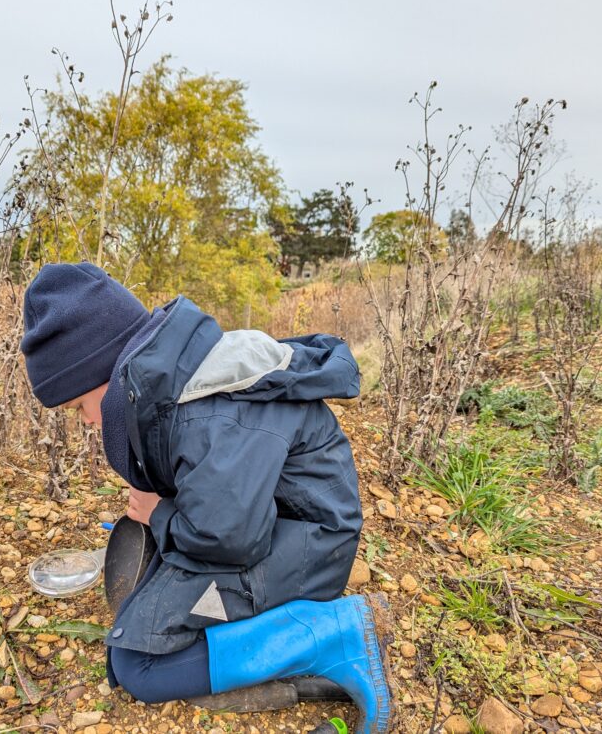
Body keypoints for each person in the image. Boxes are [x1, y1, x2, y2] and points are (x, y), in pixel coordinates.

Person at [19, 262, 392, 734]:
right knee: (142, 607)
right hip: (281, 527)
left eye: (79, 407)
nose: (88, 422)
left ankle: (335, 635)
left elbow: (231, 539)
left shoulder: (207, 413)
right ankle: (303, 664)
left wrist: (159, 515)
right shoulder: (179, 380)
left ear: (104, 373)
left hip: (312, 547)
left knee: (136, 664)